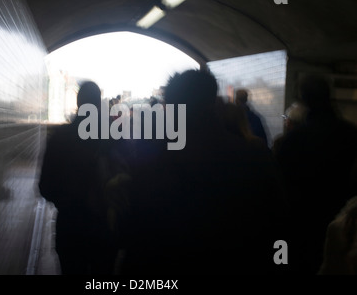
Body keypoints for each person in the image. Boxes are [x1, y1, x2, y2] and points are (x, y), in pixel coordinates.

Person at [122, 70, 289, 275]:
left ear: (172, 108)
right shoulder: (254, 156)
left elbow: (139, 239)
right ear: (213, 102)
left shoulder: (155, 164)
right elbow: (279, 221)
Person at [275, 74, 357, 274]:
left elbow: (280, 189)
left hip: (301, 226)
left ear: (303, 99)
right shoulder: (351, 135)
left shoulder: (292, 141)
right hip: (343, 223)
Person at [39, 81, 117, 274]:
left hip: (70, 229)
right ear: (98, 105)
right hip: (104, 231)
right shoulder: (112, 138)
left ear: (78, 103)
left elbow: (45, 187)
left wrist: (68, 201)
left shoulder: (60, 139)